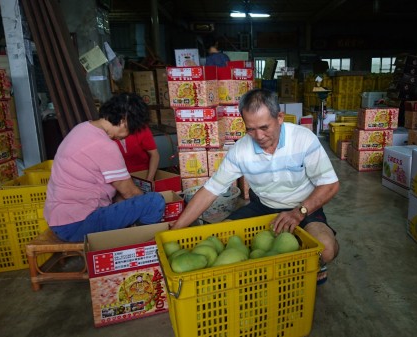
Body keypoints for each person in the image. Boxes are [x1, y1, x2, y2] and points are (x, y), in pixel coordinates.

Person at [171, 88, 340, 283]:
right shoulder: (240, 151)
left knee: (326, 249)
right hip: (263, 206)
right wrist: (176, 230)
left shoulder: (303, 139)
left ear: (280, 118)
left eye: (264, 127)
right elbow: (210, 190)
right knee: (222, 239)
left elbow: (330, 185)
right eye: (250, 129)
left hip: (305, 206)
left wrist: (299, 211)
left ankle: (317, 263)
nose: (258, 136)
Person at [45, 93, 165, 242]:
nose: (127, 136)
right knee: (154, 202)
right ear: (123, 122)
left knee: (126, 199)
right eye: (130, 130)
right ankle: (140, 247)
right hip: (77, 224)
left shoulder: (82, 129)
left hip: (59, 219)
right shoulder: (104, 145)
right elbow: (130, 193)